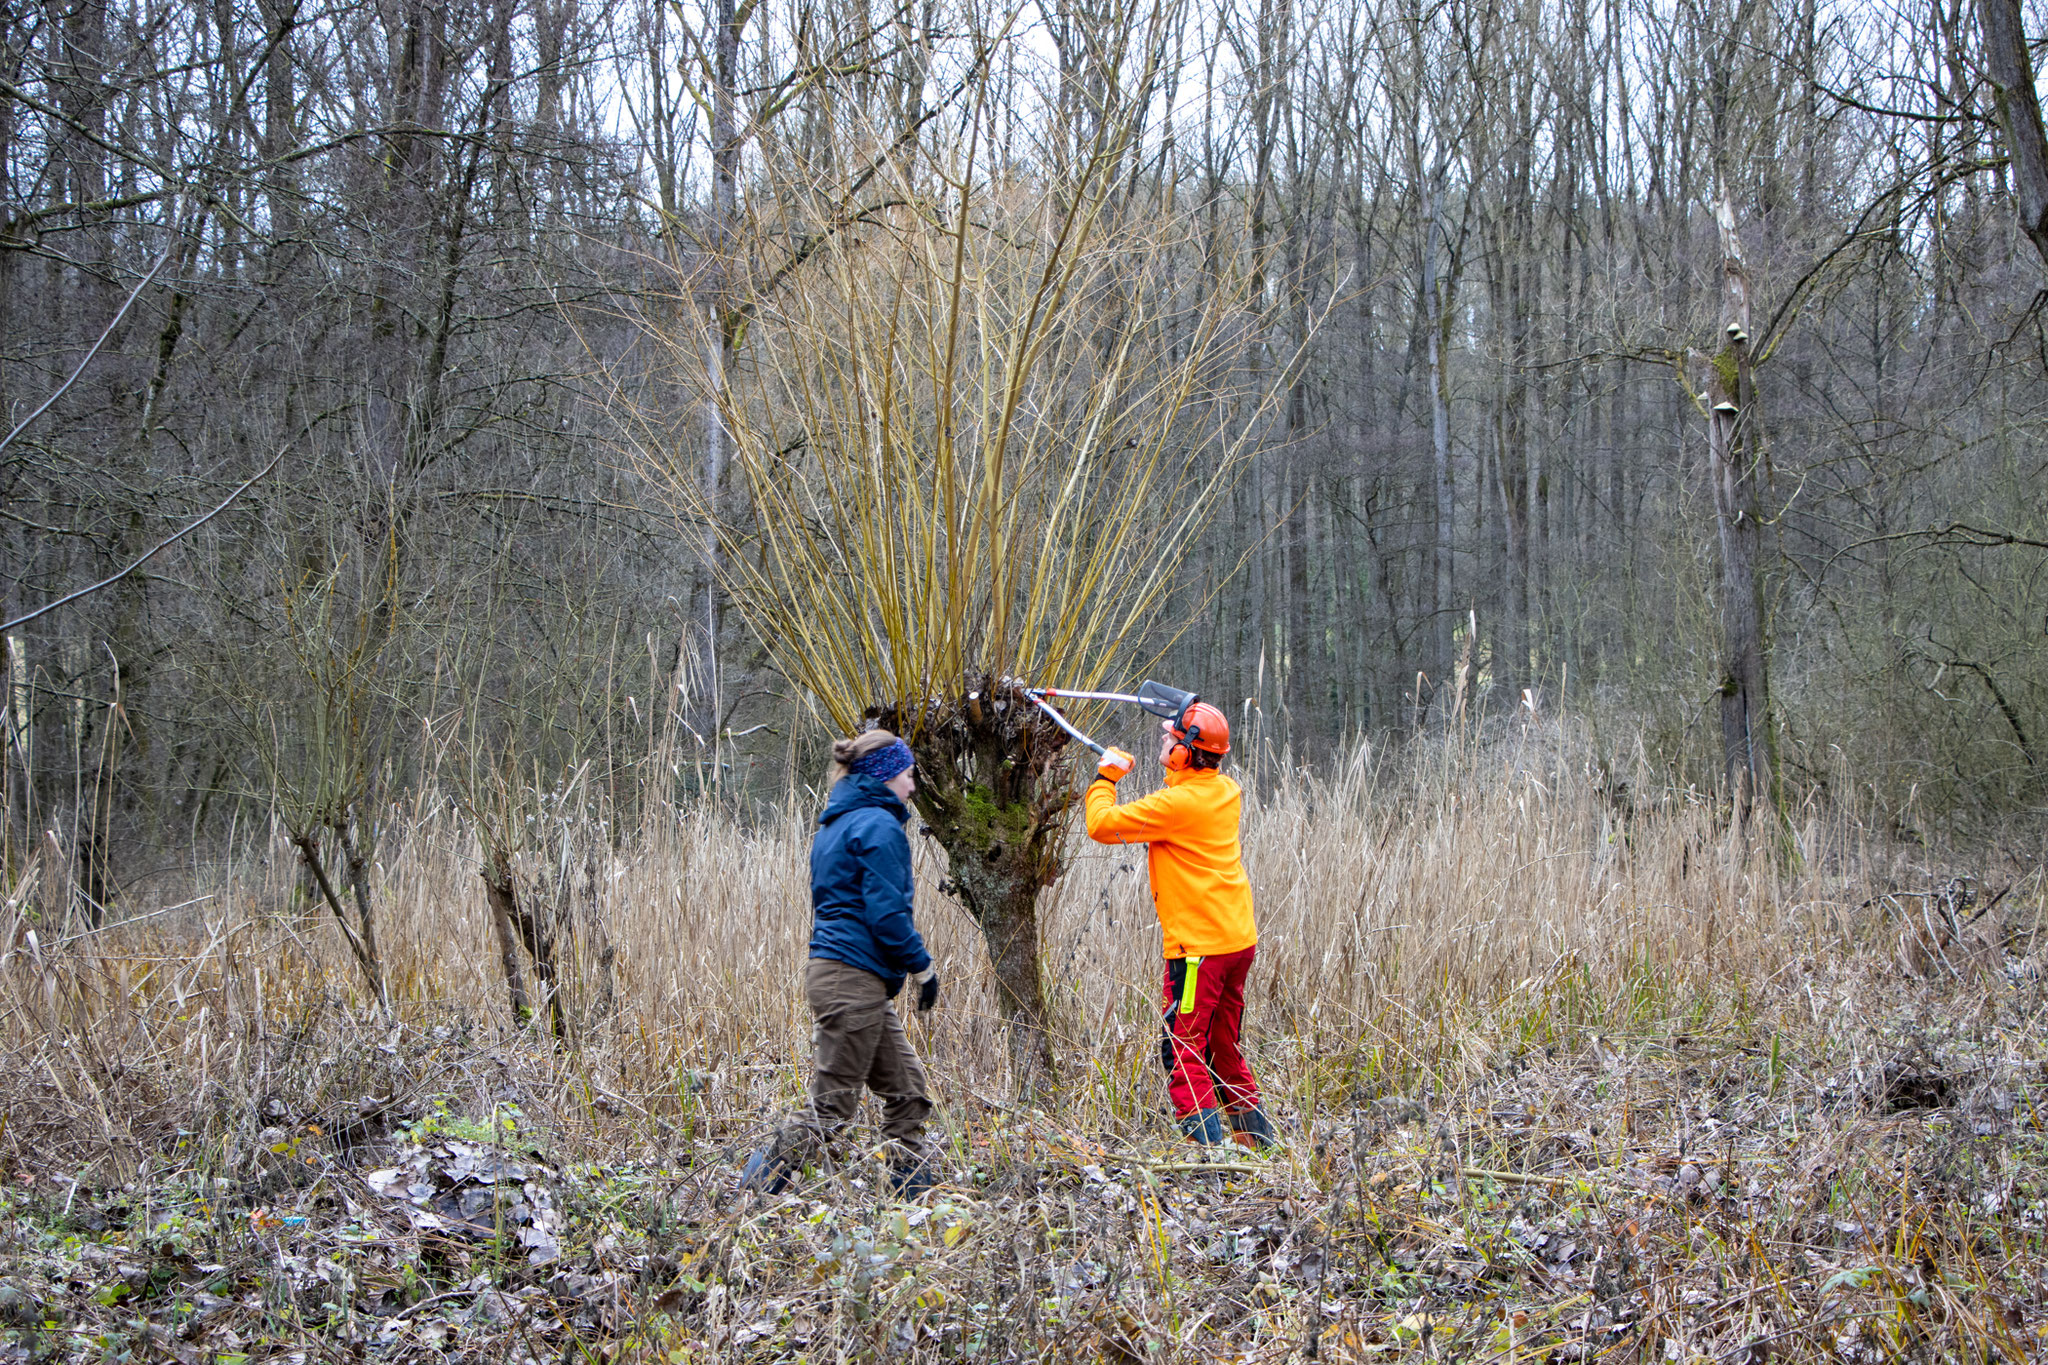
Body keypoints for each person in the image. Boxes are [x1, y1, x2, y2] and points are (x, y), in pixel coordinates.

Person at [741, 729, 942, 1194]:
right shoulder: (877, 825)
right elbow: (887, 914)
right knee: (831, 1107)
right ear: (887, 775)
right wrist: (922, 967)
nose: (913, 787)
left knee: (908, 1091)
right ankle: (749, 1201)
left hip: (844, 976)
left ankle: (911, 1202)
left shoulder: (836, 825)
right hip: (852, 979)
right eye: (909, 776)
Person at [1083, 701, 1277, 1149]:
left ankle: (1209, 1159)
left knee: (1184, 1047)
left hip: (1198, 952)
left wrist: (1106, 779)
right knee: (1222, 1047)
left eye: (1169, 737)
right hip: (1236, 942)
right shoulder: (1225, 790)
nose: (1163, 739)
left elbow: (1100, 824)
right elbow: (1178, 800)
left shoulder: (1176, 804)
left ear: (1185, 753)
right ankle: (1259, 1146)